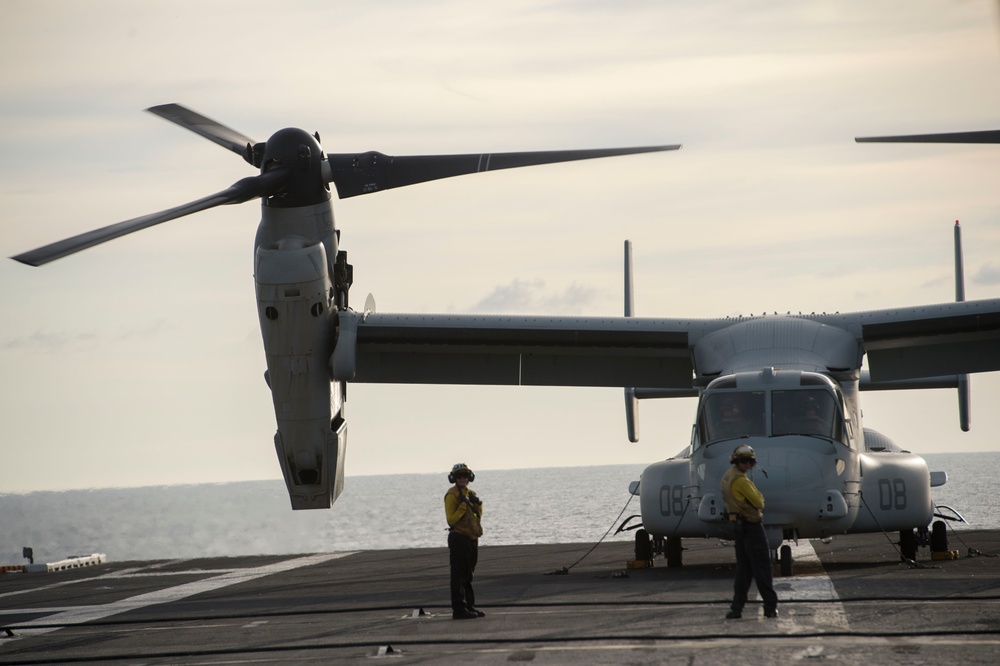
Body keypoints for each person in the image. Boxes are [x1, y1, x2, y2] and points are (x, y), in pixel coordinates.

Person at [720, 444, 778, 619]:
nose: (747, 465)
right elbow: (760, 502)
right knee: (762, 568)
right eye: (744, 461)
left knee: (743, 570)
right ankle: (770, 607)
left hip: (738, 528)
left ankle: (737, 608)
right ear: (737, 461)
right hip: (752, 527)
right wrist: (759, 496)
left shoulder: (728, 476)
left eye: (749, 462)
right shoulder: (742, 481)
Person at [444, 462, 484, 620]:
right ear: (454, 478)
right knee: (458, 575)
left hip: (471, 537)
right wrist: (462, 506)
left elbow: (476, 517)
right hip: (459, 538)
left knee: (468, 574)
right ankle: (458, 609)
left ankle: (469, 606)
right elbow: (451, 520)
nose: (462, 478)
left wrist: (477, 504)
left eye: (465, 475)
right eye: (459, 476)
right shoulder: (452, 495)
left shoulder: (470, 493)